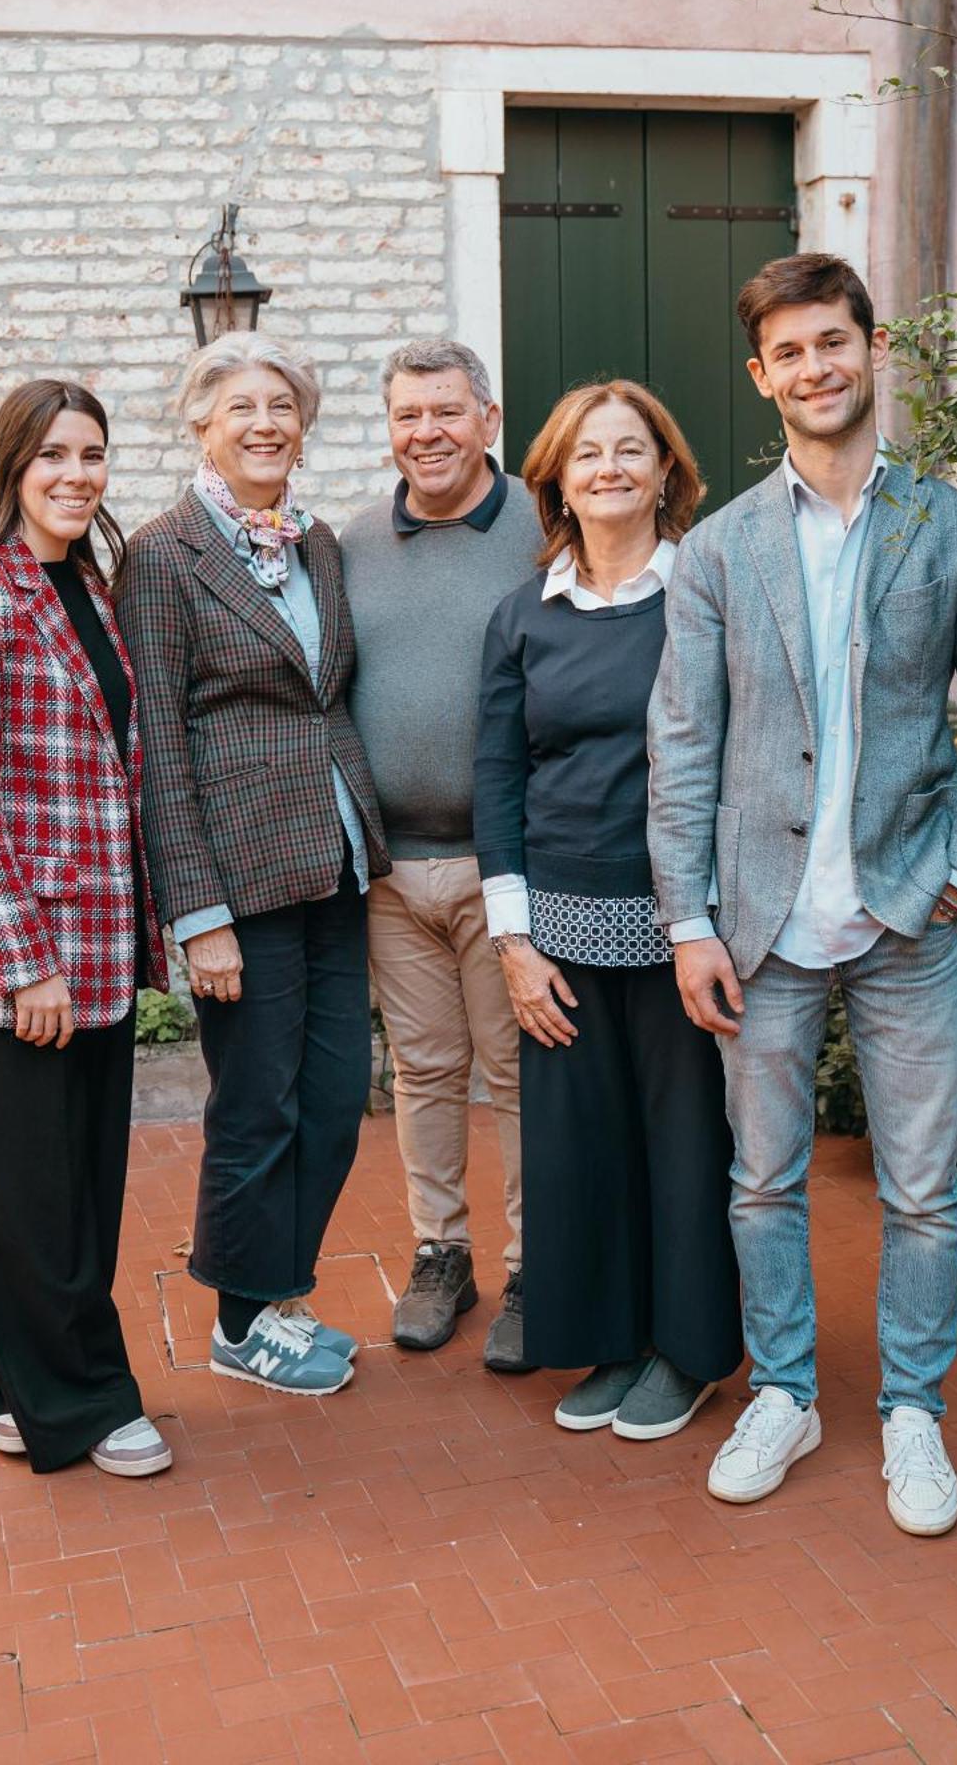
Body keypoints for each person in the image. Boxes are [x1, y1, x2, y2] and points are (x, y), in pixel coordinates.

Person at [648, 253, 957, 1534]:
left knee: (921, 1188)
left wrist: (956, 879)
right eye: (790, 351)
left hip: (905, 923)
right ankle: (786, 1390)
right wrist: (689, 920)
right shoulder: (715, 551)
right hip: (759, 928)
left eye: (836, 341)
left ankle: (912, 1410)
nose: (816, 367)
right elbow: (684, 745)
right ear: (759, 376)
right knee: (760, 1183)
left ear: (874, 351)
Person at [0, 379, 173, 1478]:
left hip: (99, 945)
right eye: (53, 454)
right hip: (15, 960)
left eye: (94, 455)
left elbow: (114, 771)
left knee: (74, 1184)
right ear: (11, 464)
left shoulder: (92, 592)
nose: (76, 474)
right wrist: (27, 964)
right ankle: (81, 1398)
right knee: (31, 1191)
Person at [118, 332, 389, 1399]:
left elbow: (331, 696)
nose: (266, 422)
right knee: (256, 1106)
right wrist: (199, 914)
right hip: (240, 877)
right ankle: (240, 1318)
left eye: (282, 404)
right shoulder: (162, 552)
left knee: (334, 1099)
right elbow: (162, 750)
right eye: (241, 406)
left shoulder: (316, 544)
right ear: (201, 425)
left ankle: (277, 1288)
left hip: (336, 858)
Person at [473, 380, 742, 1438]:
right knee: (580, 1149)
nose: (609, 468)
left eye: (631, 450)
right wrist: (515, 941)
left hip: (683, 920)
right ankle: (613, 1340)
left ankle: (688, 1351)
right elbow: (495, 777)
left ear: (667, 471)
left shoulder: (705, 595)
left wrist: (712, 921)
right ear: (555, 479)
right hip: (561, 928)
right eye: (587, 454)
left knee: (681, 1143)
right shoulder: (521, 615)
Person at [341, 340, 540, 1370]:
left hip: (506, 865)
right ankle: (441, 1253)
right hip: (389, 871)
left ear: (489, 418)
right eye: (408, 414)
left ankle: (534, 1266)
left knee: (514, 1072)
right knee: (422, 1070)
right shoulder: (352, 541)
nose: (427, 432)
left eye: (447, 412)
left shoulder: (545, 528)